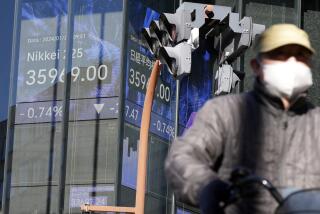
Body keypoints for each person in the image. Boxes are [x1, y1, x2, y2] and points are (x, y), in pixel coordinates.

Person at [165, 23, 320, 214]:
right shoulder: (224, 112)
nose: (292, 64)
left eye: (300, 57)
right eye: (280, 55)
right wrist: (206, 185)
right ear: (257, 66)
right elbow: (184, 157)